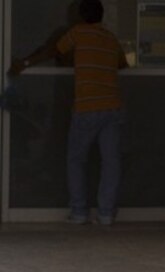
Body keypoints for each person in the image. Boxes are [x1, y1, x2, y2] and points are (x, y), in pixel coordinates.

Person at [8, 0, 128, 225]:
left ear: (81, 15)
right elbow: (122, 64)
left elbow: (54, 49)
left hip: (87, 107)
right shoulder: (110, 38)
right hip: (112, 106)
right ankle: (105, 214)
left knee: (76, 159)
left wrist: (24, 63)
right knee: (111, 162)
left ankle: (79, 212)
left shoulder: (78, 33)